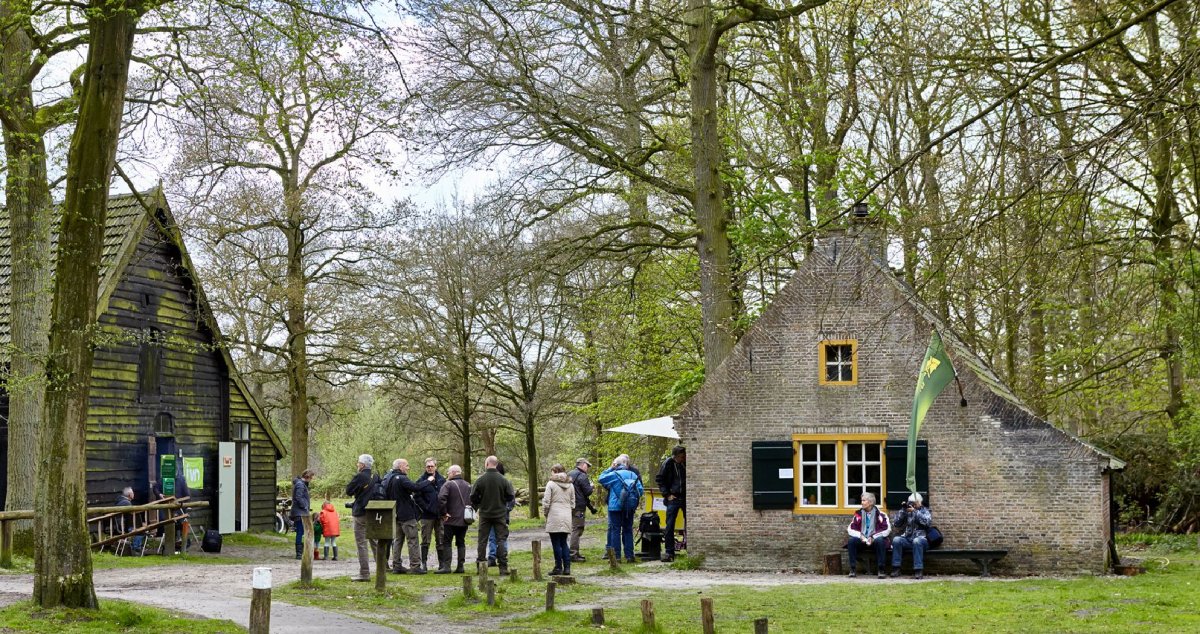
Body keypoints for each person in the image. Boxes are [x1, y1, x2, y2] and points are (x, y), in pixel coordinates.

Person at [471, 455, 516, 574]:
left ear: (487, 464)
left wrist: (480, 503)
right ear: (496, 464)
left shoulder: (480, 480)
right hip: (500, 514)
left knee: (482, 540)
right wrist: (502, 501)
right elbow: (510, 496)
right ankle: (503, 567)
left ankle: (481, 567)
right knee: (501, 540)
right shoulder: (504, 480)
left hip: (485, 514)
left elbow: (473, 496)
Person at [388, 458, 431, 574]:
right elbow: (415, 487)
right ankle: (415, 566)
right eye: (406, 465)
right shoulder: (402, 478)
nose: (408, 468)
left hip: (395, 514)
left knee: (398, 541)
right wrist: (428, 481)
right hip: (407, 515)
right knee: (412, 540)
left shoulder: (390, 478)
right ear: (400, 466)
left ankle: (396, 565)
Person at [599, 454, 644, 563]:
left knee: (615, 530)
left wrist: (611, 468)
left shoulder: (614, 474)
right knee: (628, 530)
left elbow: (601, 478)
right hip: (629, 507)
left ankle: (617, 557)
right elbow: (640, 490)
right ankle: (630, 556)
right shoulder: (633, 474)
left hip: (615, 507)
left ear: (616, 464)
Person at [344, 454, 377, 581]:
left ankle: (364, 573)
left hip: (361, 513)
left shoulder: (360, 476)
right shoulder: (375, 476)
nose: (357, 465)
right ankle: (382, 569)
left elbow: (349, 490)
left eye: (358, 463)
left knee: (362, 544)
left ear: (362, 465)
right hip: (373, 512)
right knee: (375, 542)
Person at [846, 492, 890, 578]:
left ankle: (881, 570)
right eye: (861, 500)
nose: (861, 502)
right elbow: (850, 529)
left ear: (870, 503)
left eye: (863, 500)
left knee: (880, 541)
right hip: (862, 540)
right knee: (851, 541)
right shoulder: (858, 514)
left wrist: (873, 537)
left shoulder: (881, 515)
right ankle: (852, 569)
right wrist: (860, 536)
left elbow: (887, 529)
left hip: (875, 541)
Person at [542, 464, 576, 576]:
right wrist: (568, 511)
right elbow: (573, 503)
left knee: (556, 542)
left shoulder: (551, 484)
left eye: (552, 471)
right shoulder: (570, 485)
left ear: (555, 471)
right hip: (566, 515)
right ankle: (567, 567)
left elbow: (546, 502)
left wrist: (546, 513)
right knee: (564, 542)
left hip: (554, 515)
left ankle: (558, 567)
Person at [438, 464, 472, 573]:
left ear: (453, 473)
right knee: (461, 542)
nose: (447, 474)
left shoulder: (448, 484)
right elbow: (474, 500)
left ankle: (447, 567)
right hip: (464, 519)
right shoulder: (468, 485)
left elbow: (441, 498)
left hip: (450, 519)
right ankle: (460, 566)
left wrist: (444, 513)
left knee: (447, 542)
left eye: (448, 472)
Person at [418, 457, 449, 573]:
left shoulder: (442, 480)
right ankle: (424, 563)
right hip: (427, 515)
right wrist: (426, 507)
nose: (430, 468)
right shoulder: (421, 480)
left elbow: (446, 496)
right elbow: (417, 496)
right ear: (425, 467)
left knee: (440, 539)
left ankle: (441, 563)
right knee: (425, 539)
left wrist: (445, 511)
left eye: (432, 466)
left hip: (440, 514)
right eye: (428, 466)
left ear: (435, 466)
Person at [890, 492, 932, 579]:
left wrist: (915, 512)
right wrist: (903, 510)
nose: (913, 505)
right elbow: (896, 524)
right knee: (896, 540)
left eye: (914, 503)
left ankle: (918, 570)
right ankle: (896, 568)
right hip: (908, 539)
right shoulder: (906, 511)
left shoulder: (925, 511)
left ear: (919, 502)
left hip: (922, 540)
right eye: (911, 502)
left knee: (917, 541)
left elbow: (927, 523)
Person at [655, 445, 686, 562]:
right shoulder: (668, 464)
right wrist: (667, 494)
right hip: (673, 497)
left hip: (685, 497)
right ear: (676, 456)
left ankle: (690, 548)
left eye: (684, 456)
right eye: (682, 457)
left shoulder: (685, 464)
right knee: (670, 525)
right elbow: (659, 479)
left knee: (690, 523)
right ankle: (669, 552)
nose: (683, 458)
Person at [486, 461, 515, 566]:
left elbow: (511, 500)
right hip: (500, 514)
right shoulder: (505, 482)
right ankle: (496, 556)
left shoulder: (504, 482)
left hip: (498, 514)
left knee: (497, 537)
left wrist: (505, 509)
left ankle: (495, 556)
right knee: (498, 537)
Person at [566, 458, 594, 562]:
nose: (588, 468)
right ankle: (573, 554)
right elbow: (587, 492)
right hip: (579, 507)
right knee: (577, 528)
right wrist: (592, 487)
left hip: (569, 505)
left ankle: (574, 553)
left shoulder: (569, 474)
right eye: (587, 466)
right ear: (583, 465)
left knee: (574, 528)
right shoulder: (582, 476)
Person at [291, 469, 314, 560]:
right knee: (300, 532)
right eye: (311, 477)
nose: (311, 479)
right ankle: (299, 553)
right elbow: (298, 497)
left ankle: (302, 552)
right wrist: (304, 506)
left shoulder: (302, 484)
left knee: (301, 532)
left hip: (301, 511)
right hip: (300, 512)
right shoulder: (300, 485)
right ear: (308, 476)